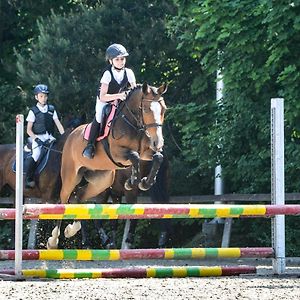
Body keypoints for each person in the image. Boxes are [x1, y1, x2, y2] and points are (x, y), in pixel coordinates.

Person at [82, 43, 136, 159]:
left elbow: (134, 90)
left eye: (122, 59)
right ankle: (90, 146)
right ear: (111, 61)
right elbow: (103, 96)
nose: (121, 62)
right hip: (105, 101)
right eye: (117, 59)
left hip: (121, 100)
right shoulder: (107, 74)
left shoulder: (129, 73)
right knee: (99, 116)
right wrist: (118, 95)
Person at [25, 84, 65, 188]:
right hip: (37, 137)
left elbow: (58, 124)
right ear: (36, 97)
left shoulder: (51, 109)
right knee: (36, 155)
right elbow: (28, 130)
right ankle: (29, 179)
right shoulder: (33, 111)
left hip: (50, 137)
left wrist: (65, 136)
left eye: (45, 96)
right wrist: (36, 139)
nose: (44, 98)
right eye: (41, 96)